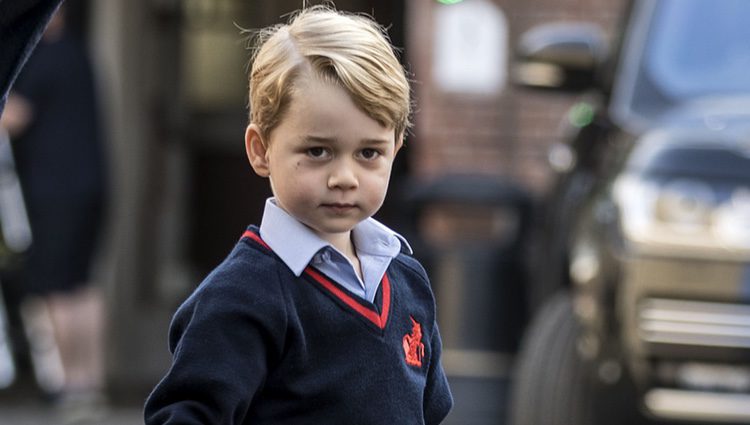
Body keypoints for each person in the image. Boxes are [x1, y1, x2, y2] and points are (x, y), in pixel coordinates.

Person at [144, 5, 453, 425]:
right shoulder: (242, 297)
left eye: (368, 153)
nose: (344, 177)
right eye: (317, 151)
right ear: (261, 149)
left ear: (396, 150)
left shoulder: (407, 279)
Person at [0, 4, 108, 421]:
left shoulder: (44, 55)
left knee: (57, 288)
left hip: (56, 191)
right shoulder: (79, 53)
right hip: (91, 187)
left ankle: (70, 388)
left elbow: (12, 117)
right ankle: (90, 383)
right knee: (83, 285)